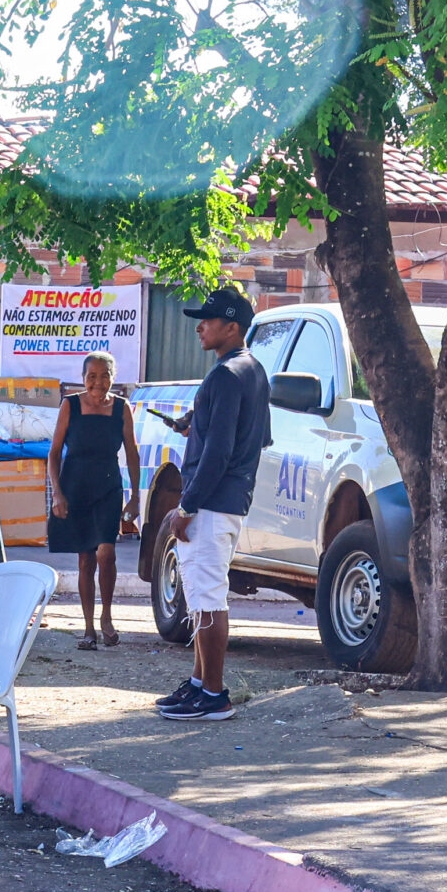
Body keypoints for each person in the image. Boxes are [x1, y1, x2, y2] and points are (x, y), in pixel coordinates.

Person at [156, 285, 271, 722]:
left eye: (208, 319)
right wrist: (196, 425)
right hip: (232, 498)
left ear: (232, 326)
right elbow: (256, 436)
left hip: (212, 501)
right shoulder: (253, 370)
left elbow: (219, 452)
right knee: (205, 596)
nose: (200, 326)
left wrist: (187, 506)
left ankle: (214, 695)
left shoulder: (225, 374)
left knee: (207, 600)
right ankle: (201, 684)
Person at [45, 350, 143, 650]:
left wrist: (135, 497)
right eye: (91, 376)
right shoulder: (70, 405)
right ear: (83, 378)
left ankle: (107, 617)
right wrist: (57, 493)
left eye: (104, 376)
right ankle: (88, 628)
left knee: (106, 553)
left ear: (112, 378)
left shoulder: (122, 408)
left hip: (108, 488)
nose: (97, 383)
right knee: (86, 559)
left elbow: (132, 454)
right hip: (75, 488)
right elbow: (53, 453)